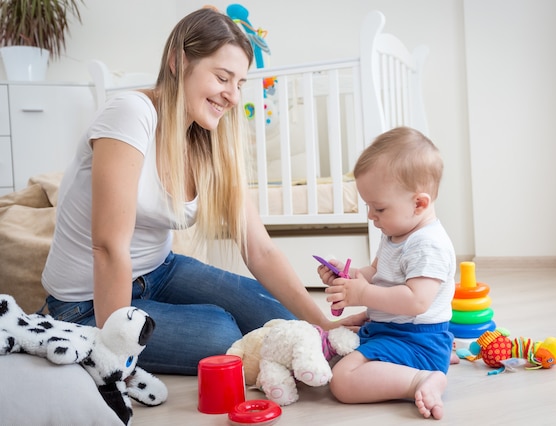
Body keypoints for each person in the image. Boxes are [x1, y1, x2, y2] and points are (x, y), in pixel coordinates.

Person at [41, 7, 339, 376]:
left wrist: (324, 325)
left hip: (160, 271)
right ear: (179, 61)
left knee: (288, 319)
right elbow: (108, 246)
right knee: (220, 331)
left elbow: (259, 249)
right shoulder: (131, 113)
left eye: (240, 83)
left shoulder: (208, 139)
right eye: (222, 77)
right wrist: (115, 353)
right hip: (85, 303)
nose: (232, 95)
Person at [317, 127, 456, 420]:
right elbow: (377, 272)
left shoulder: (427, 244)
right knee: (334, 340)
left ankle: (420, 379)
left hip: (416, 339)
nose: (371, 215)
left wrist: (364, 294)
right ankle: (424, 366)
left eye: (378, 207)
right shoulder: (397, 233)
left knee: (342, 380)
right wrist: (349, 276)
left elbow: (417, 301)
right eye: (369, 206)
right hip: (392, 330)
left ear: (419, 203)